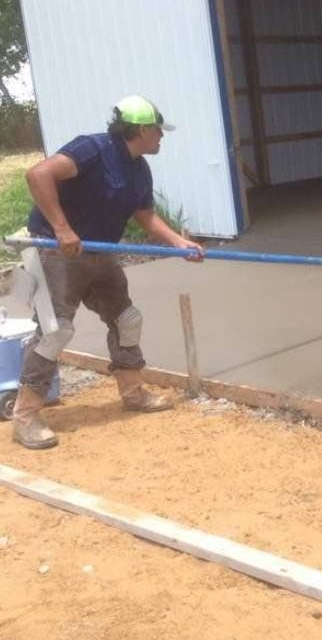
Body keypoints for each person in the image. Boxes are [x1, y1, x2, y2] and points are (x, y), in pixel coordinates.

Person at [11, 95, 204, 450]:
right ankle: (25, 416)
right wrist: (62, 229)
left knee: (127, 319)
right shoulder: (93, 149)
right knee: (56, 332)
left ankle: (132, 392)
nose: (162, 138)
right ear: (144, 129)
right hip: (57, 251)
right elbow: (38, 174)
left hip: (101, 251)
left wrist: (179, 243)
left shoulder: (139, 167)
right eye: (159, 131)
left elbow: (145, 216)